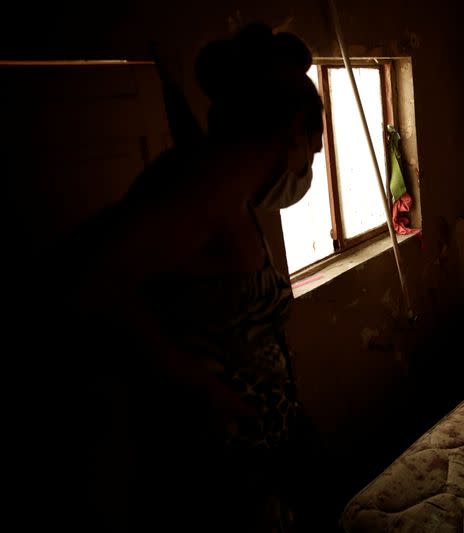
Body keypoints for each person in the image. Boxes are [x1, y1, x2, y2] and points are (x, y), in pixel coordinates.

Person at [44, 22, 327, 532]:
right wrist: (213, 394)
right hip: (221, 459)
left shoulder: (220, 180)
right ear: (290, 133)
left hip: (257, 440)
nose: (313, 159)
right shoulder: (204, 189)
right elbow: (84, 286)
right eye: (313, 142)